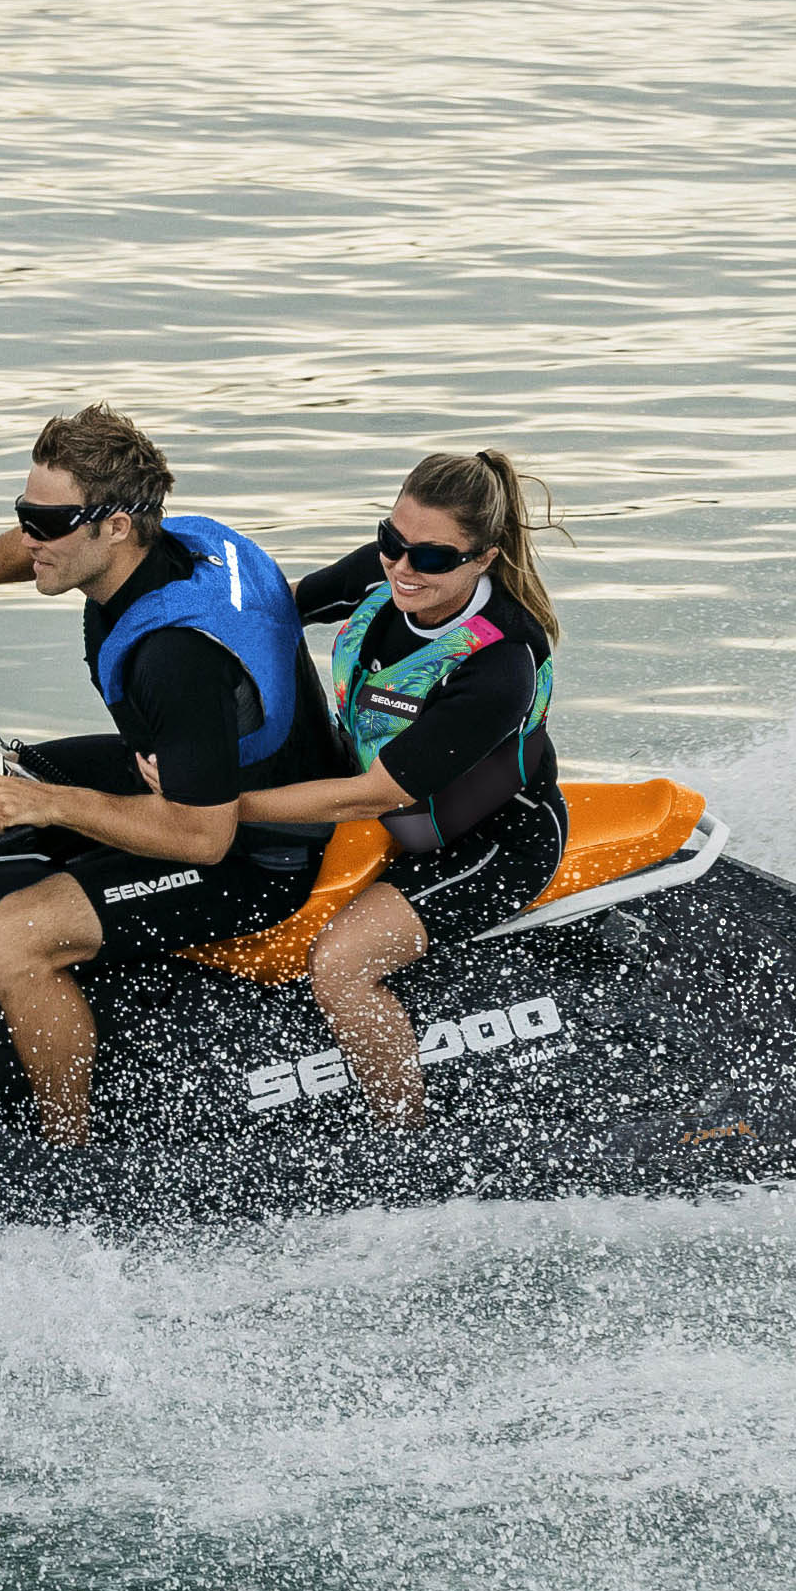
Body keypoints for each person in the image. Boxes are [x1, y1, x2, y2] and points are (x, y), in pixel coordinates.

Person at [0, 407, 347, 1145]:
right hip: (190, 765)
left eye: (48, 521)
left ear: (116, 526)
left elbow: (202, 836)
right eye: (24, 512)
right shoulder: (177, 541)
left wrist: (54, 804)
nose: (31, 536)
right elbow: (35, 549)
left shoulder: (174, 657)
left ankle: (69, 1154)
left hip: (262, 848)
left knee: (21, 931)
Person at [235, 450, 570, 1127]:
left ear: (483, 559)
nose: (402, 568)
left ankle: (403, 1139)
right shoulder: (387, 572)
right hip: (390, 799)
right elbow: (276, 613)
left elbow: (372, 794)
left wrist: (219, 806)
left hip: (492, 840)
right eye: (392, 541)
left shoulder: (499, 662)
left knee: (339, 966)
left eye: (431, 558)